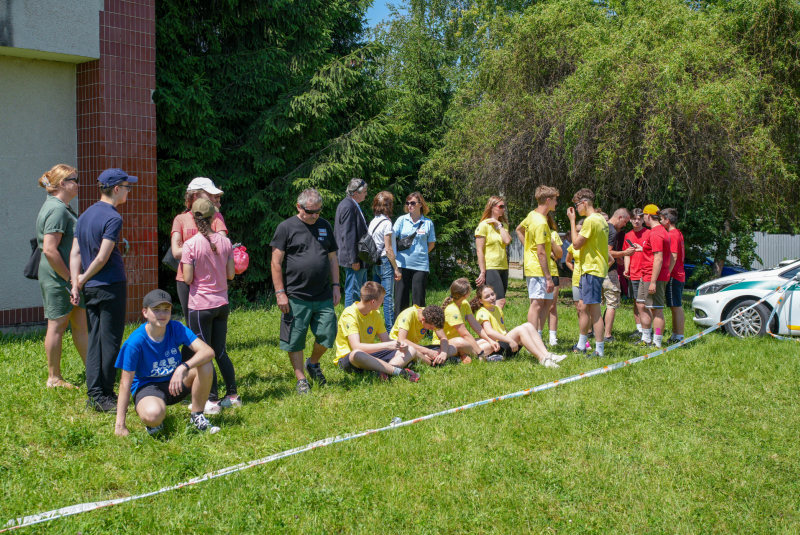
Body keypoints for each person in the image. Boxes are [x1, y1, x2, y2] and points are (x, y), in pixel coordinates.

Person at [70, 168, 136, 412]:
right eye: (127, 187)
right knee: (109, 341)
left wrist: (77, 282)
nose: (129, 191)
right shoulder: (113, 217)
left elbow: (75, 252)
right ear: (116, 189)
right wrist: (83, 278)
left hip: (93, 289)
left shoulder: (85, 215)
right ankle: (104, 397)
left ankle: (95, 394)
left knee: (95, 338)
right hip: (110, 285)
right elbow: (102, 257)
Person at [114, 290, 219, 436]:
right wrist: (120, 425)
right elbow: (125, 384)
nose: (162, 314)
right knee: (153, 415)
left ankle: (197, 416)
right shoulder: (135, 342)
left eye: (166, 310)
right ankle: (154, 421)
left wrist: (182, 367)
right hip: (148, 387)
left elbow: (208, 352)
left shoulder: (176, 328)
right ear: (145, 312)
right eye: (156, 310)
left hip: (175, 382)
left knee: (206, 364)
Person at [270, 188, 341, 395]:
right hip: (295, 296)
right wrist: (280, 292)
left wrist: (336, 286)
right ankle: (301, 378)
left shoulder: (324, 226)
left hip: (323, 294)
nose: (315, 216)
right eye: (310, 211)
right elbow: (276, 262)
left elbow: (332, 258)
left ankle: (313, 363)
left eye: (318, 211)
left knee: (328, 333)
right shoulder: (286, 227)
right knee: (295, 338)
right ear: (299, 207)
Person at [181, 199, 238, 413]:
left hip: (200, 306)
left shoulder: (190, 244)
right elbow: (231, 274)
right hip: (222, 303)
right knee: (220, 350)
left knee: (205, 354)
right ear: (214, 217)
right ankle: (232, 395)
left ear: (194, 218)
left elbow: (187, 279)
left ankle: (212, 400)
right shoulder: (225, 242)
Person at [35, 164, 88, 389]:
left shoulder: (62, 207)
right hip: (60, 278)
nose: (79, 183)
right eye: (75, 179)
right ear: (63, 184)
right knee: (57, 324)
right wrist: (69, 279)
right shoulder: (57, 209)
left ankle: (94, 370)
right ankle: (54, 377)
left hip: (69, 277)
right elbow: (49, 249)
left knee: (80, 324)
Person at [333, 281, 420, 381]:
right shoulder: (349, 314)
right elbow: (356, 347)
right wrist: (387, 346)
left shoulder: (376, 313)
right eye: (382, 299)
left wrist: (400, 345)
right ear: (373, 302)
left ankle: (384, 371)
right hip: (350, 359)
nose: (383, 302)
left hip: (369, 355)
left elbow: (386, 340)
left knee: (411, 350)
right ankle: (398, 371)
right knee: (357, 353)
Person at [170, 177, 228, 320]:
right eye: (210, 195)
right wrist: (207, 247)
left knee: (213, 322)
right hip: (185, 279)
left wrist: (190, 248)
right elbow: (175, 252)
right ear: (196, 195)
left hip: (211, 279)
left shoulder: (217, 216)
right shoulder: (180, 219)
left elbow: (223, 246)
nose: (214, 199)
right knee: (191, 322)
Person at [471, 285, 565, 367]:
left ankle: (547, 355)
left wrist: (510, 337)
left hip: (504, 343)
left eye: (492, 294)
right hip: (496, 348)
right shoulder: (482, 312)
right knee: (521, 330)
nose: (491, 298)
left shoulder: (497, 309)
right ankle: (542, 359)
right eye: (487, 297)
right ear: (481, 300)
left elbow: (503, 329)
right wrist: (510, 340)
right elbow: (489, 332)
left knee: (528, 325)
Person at [566, 188, 609, 357]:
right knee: (584, 307)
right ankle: (581, 345)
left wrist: (572, 220)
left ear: (584, 203)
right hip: (589, 269)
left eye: (577, 205)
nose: (576, 209)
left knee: (594, 311)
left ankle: (599, 351)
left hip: (592, 270)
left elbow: (576, 244)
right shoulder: (600, 219)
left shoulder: (591, 220)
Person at [516, 186, 559, 334]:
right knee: (536, 305)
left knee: (546, 303)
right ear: (548, 200)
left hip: (537, 267)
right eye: (555, 200)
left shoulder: (532, 215)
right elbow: (541, 253)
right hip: (538, 269)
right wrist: (548, 278)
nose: (556, 203)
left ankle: (537, 337)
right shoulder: (540, 223)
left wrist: (528, 248)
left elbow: (518, 229)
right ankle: (531, 340)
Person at [432, 278, 498, 362]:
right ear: (465, 295)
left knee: (489, 344)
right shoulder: (452, 309)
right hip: (444, 344)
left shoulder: (464, 303)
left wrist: (489, 340)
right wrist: (479, 352)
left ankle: (464, 355)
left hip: (461, 340)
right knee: (461, 341)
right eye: (470, 289)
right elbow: (465, 334)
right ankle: (481, 357)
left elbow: (474, 324)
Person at [634, 204, 672, 348]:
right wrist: (642, 249)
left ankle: (656, 341)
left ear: (648, 216)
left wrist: (653, 282)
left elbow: (658, 258)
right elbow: (654, 252)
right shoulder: (656, 232)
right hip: (646, 274)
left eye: (643, 216)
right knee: (641, 305)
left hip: (653, 276)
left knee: (656, 310)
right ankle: (646, 338)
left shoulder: (657, 233)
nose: (643, 219)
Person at [393, 192, 436, 318]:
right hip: (402, 263)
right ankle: (399, 326)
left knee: (418, 298)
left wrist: (420, 254)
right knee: (401, 298)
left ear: (420, 204)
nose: (410, 205)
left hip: (420, 265)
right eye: (408, 203)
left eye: (412, 203)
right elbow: (392, 237)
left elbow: (431, 244)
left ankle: (420, 327)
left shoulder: (428, 223)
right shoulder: (401, 220)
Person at [369, 191, 402, 331]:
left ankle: (372, 328)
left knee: (374, 297)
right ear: (388, 206)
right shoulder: (387, 224)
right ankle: (390, 331)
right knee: (388, 299)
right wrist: (396, 268)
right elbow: (388, 249)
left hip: (375, 262)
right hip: (385, 263)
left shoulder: (373, 221)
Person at [335, 179, 369, 307]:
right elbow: (348, 235)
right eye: (364, 192)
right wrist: (354, 259)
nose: (366, 194)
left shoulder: (351, 204)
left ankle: (357, 320)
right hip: (354, 259)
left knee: (359, 291)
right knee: (353, 291)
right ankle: (348, 324)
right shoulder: (348, 206)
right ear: (355, 193)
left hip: (358, 258)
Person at [602, 208, 635, 341]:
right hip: (609, 272)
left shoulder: (602, 227)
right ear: (620, 217)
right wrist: (624, 253)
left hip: (597, 271)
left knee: (596, 304)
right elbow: (608, 252)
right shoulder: (613, 231)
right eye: (625, 221)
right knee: (612, 303)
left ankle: (593, 331)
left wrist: (618, 257)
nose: (625, 225)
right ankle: (607, 335)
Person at [475, 196, 512, 309]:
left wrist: (499, 225)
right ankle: (493, 326)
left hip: (503, 267)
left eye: (504, 207)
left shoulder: (503, 225)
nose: (503, 209)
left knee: (496, 303)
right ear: (492, 207)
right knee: (499, 302)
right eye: (501, 206)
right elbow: (479, 250)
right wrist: (482, 271)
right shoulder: (483, 226)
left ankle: (492, 325)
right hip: (491, 267)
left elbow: (507, 240)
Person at [390, 304, 456, 366]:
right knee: (413, 352)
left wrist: (444, 353)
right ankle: (431, 362)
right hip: (399, 348)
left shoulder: (431, 316)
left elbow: (443, 338)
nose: (432, 330)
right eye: (430, 328)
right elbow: (402, 340)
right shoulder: (407, 315)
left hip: (416, 347)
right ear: (423, 320)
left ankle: (423, 360)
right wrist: (427, 351)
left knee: (452, 349)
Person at [564, 219, 591, 351]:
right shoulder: (572, 247)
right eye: (577, 231)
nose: (579, 233)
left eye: (581, 231)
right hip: (576, 280)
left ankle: (589, 335)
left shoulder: (589, 245)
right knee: (579, 310)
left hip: (588, 279)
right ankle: (583, 338)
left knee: (587, 309)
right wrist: (574, 269)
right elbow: (567, 260)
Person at [660, 208, 685, 343]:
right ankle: (676, 335)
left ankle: (679, 336)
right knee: (674, 305)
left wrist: (667, 273)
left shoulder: (672, 234)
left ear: (667, 220)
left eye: (662, 219)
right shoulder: (678, 233)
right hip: (679, 274)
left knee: (676, 306)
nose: (660, 222)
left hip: (674, 275)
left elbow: (674, 255)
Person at [623, 209, 649, 339]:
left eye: (639, 218)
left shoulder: (649, 233)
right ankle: (639, 329)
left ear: (643, 220)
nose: (637, 221)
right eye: (634, 219)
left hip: (646, 273)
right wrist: (626, 268)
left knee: (645, 303)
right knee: (635, 302)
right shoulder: (628, 235)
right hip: (633, 273)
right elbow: (627, 253)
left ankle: (647, 330)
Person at [544, 213, 563, 346]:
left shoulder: (553, 234)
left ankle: (552, 337)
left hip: (553, 272)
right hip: (537, 272)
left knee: (552, 306)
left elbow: (559, 254)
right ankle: (537, 335)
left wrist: (551, 241)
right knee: (538, 306)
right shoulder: (533, 233)